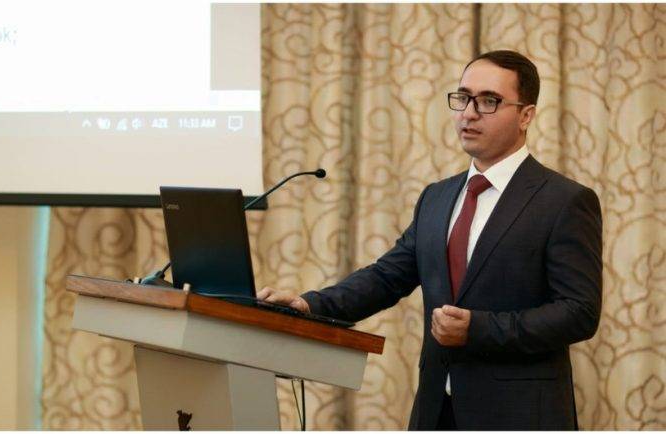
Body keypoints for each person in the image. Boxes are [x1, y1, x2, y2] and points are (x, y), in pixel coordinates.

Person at [257, 50, 602, 430]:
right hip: (437, 410)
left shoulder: (564, 200)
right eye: (463, 97)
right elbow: (387, 277)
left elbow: (578, 311)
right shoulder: (437, 197)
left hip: (519, 414)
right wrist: (308, 305)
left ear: (526, 115)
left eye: (489, 101)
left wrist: (479, 329)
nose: (469, 113)